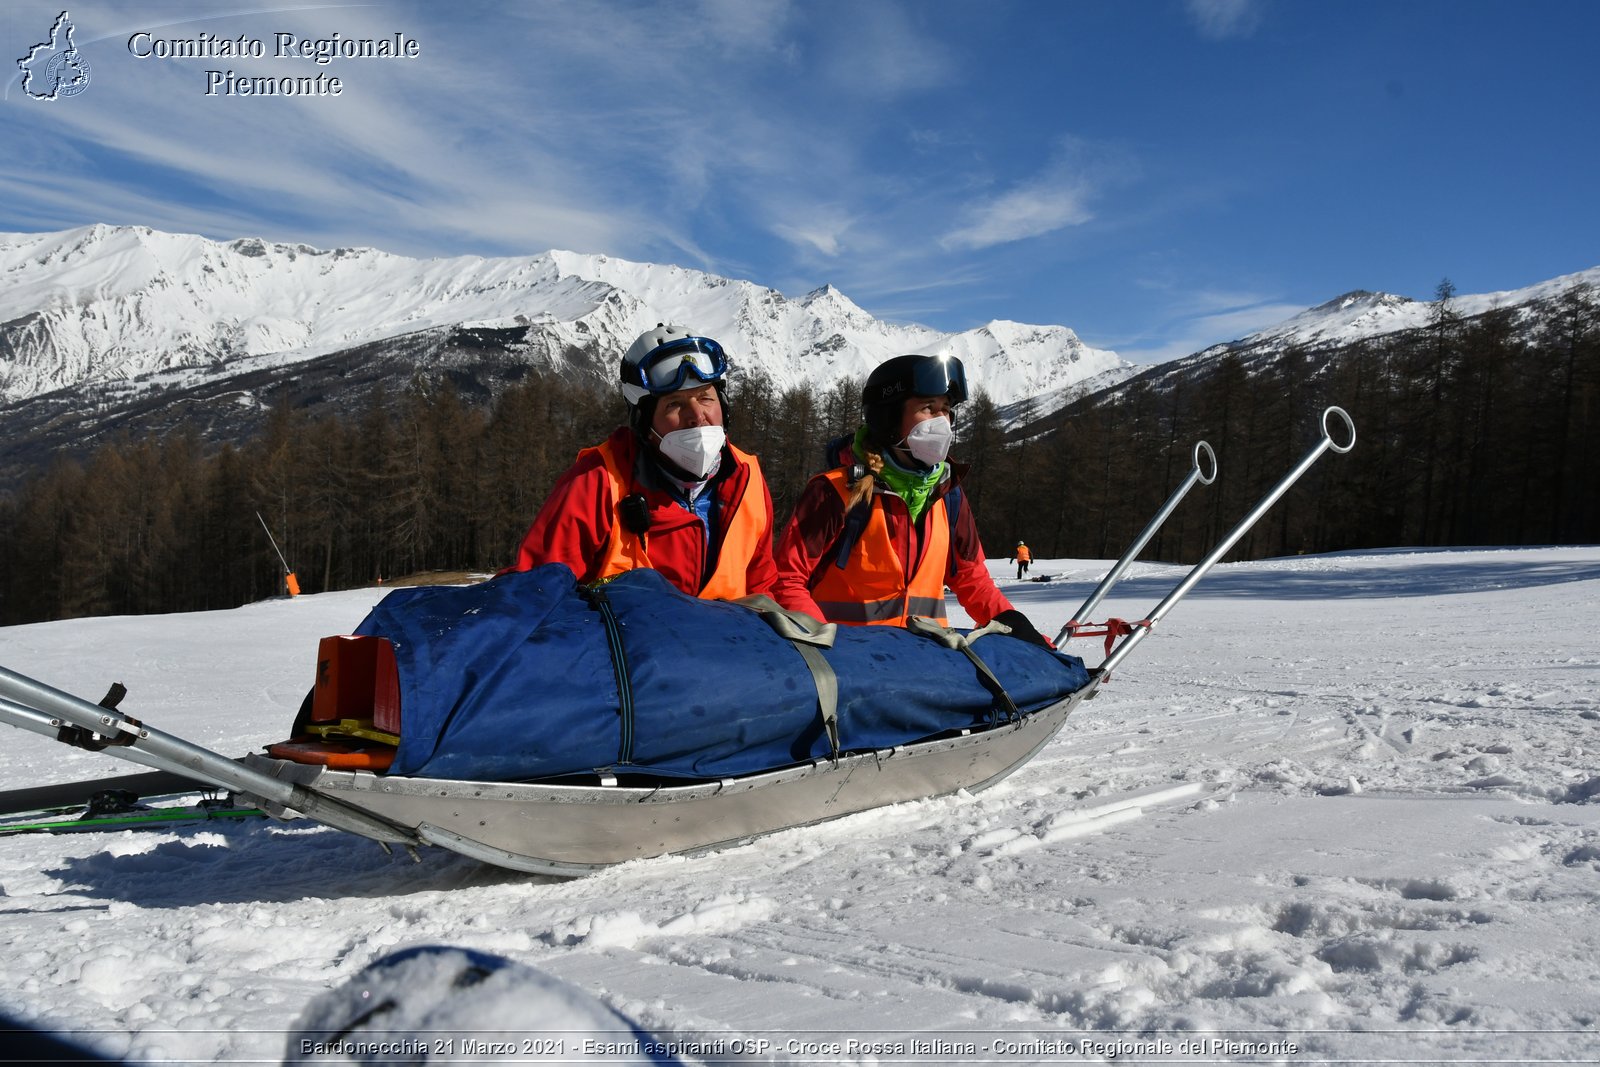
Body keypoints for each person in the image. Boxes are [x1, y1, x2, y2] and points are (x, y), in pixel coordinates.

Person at [772, 353, 1051, 646]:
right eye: (928, 408)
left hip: (925, 666)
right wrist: (820, 643)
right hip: (849, 668)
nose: (942, 421)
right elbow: (787, 579)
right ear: (888, 419)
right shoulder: (835, 491)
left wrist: (1016, 627)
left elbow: (972, 580)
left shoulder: (948, 494)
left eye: (946, 410)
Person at [506, 323, 777, 600]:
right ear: (645, 422)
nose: (696, 415)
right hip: (624, 641)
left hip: (730, 640)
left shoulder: (746, 478)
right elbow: (532, 592)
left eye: (705, 398)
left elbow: (762, 587)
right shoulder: (599, 481)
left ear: (723, 404)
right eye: (674, 404)